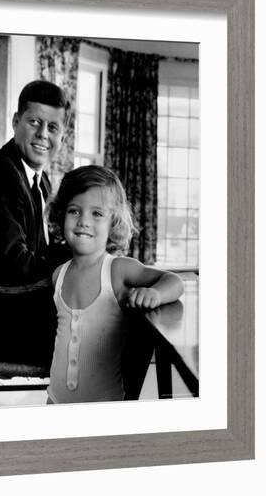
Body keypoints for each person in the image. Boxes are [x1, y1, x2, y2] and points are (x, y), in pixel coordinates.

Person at [46, 165, 184, 403]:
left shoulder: (117, 269)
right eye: (74, 211)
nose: (83, 222)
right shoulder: (59, 275)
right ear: (62, 215)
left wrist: (156, 294)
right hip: (55, 400)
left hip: (106, 406)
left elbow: (175, 281)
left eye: (97, 214)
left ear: (114, 222)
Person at [0, 80, 70, 366]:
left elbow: (38, 252)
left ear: (62, 135)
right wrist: (75, 264)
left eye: (53, 127)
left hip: (21, 307)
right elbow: (14, 266)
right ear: (16, 121)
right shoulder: (0, 176)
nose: (43, 134)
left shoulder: (37, 178)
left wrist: (83, 254)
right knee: (117, 331)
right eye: (34, 122)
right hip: (4, 324)